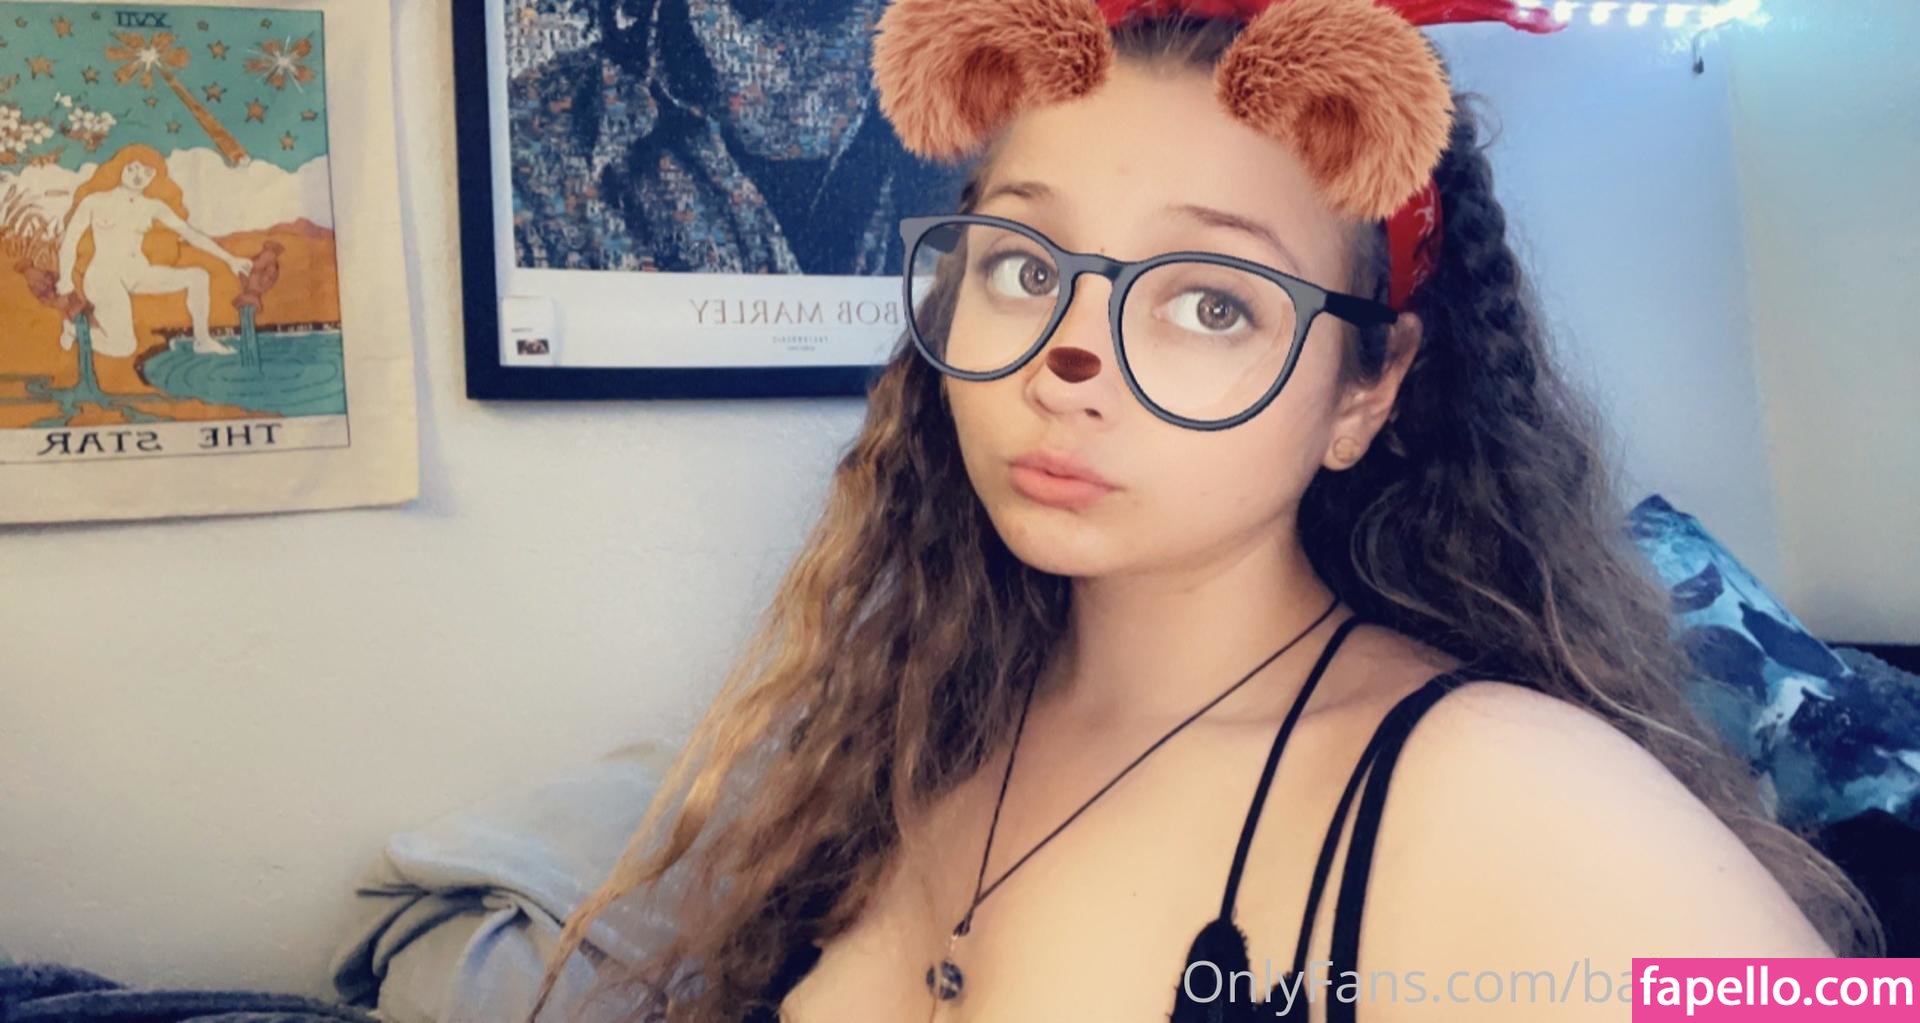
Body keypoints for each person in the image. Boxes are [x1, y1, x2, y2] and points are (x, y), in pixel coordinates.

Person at [536, 1, 1881, 1020]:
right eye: (1024, 265)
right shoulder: (919, 722)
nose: (1070, 358)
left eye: (1212, 302)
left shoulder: (1507, 785)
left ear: (1366, 391)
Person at [56, 143, 253, 358]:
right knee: (124, 347)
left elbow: (190, 234)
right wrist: (65, 280)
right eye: (133, 168)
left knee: (198, 276)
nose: (138, 176)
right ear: (120, 167)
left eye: (147, 172)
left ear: (154, 177)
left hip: (138, 272)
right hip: (103, 278)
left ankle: (202, 340)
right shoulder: (95, 201)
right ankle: (74, 331)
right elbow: (70, 241)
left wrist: (230, 259)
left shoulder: (153, 206)